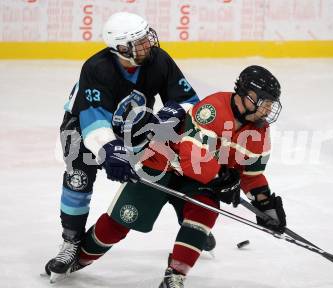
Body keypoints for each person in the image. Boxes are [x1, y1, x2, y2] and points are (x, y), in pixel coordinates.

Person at [70, 65, 287, 287]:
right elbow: (191, 156)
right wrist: (222, 179)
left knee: (204, 213)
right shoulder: (212, 109)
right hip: (162, 164)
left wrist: (265, 205)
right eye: (265, 101)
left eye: (271, 103)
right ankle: (80, 258)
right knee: (122, 220)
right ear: (247, 96)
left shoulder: (260, 131)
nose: (268, 109)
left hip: (200, 178)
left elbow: (251, 174)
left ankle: (175, 274)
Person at [45, 11, 214, 279]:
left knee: (165, 167)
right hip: (83, 127)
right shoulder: (96, 68)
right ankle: (71, 241)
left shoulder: (158, 60)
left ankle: (191, 224)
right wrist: (110, 151)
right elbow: (94, 119)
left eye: (147, 37)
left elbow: (190, 99)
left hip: (133, 125)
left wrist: (174, 110)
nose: (149, 44)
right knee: (78, 178)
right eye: (140, 42)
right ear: (121, 48)